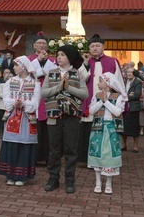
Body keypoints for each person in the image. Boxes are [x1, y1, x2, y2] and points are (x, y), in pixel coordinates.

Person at [41, 45, 88, 194]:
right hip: (54, 115)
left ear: (69, 57)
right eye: (58, 55)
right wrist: (59, 87)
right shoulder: (51, 73)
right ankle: (53, 178)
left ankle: (69, 179)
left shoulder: (77, 74)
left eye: (62, 54)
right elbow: (44, 92)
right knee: (54, 150)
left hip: (72, 117)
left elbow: (84, 94)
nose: (58, 57)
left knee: (71, 150)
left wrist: (68, 87)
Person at [78, 35, 125, 163]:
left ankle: (106, 156)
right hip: (90, 100)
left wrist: (120, 97)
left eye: (98, 45)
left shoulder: (112, 61)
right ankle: (86, 158)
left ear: (103, 47)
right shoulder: (85, 62)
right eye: (92, 46)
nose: (95, 48)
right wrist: (86, 64)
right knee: (88, 128)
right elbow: (81, 79)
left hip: (108, 101)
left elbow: (118, 80)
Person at [0, 55, 41, 186]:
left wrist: (24, 104)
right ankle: (10, 174)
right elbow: (6, 98)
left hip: (27, 119)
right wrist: (14, 102)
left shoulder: (35, 83)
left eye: (16, 65)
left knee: (24, 145)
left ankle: (22, 176)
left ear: (24, 67)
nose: (14, 67)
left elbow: (36, 102)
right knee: (12, 144)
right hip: (13, 117)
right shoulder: (10, 81)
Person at [88, 72, 127, 194]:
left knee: (109, 156)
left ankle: (109, 183)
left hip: (111, 129)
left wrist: (106, 102)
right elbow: (91, 111)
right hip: (98, 129)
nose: (98, 83)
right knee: (97, 153)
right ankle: (98, 182)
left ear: (107, 83)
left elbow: (117, 112)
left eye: (100, 81)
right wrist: (101, 101)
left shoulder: (118, 97)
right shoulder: (97, 96)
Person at [28, 31, 57, 164]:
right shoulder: (28, 59)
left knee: (47, 129)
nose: (42, 46)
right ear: (34, 45)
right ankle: (33, 157)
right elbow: (29, 74)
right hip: (34, 94)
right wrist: (39, 60)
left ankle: (47, 158)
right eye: (39, 43)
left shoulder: (53, 60)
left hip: (48, 96)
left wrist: (45, 64)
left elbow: (54, 75)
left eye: (44, 43)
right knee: (34, 127)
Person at [121, 67, 142, 153]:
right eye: (128, 72)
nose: (129, 74)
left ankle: (135, 146)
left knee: (134, 128)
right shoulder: (123, 82)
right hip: (124, 108)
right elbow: (120, 93)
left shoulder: (138, 82)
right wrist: (129, 95)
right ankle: (124, 145)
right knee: (124, 128)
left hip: (133, 108)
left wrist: (126, 96)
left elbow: (137, 95)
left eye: (131, 72)